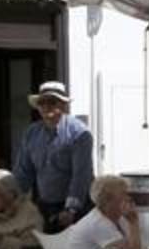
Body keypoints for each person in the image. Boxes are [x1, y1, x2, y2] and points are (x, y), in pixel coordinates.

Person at [14, 81, 94, 233]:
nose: (46, 106)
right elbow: (23, 172)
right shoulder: (32, 133)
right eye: (41, 102)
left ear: (63, 105)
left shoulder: (80, 134)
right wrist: (12, 199)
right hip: (44, 205)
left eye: (52, 102)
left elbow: (81, 176)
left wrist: (71, 209)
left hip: (77, 207)